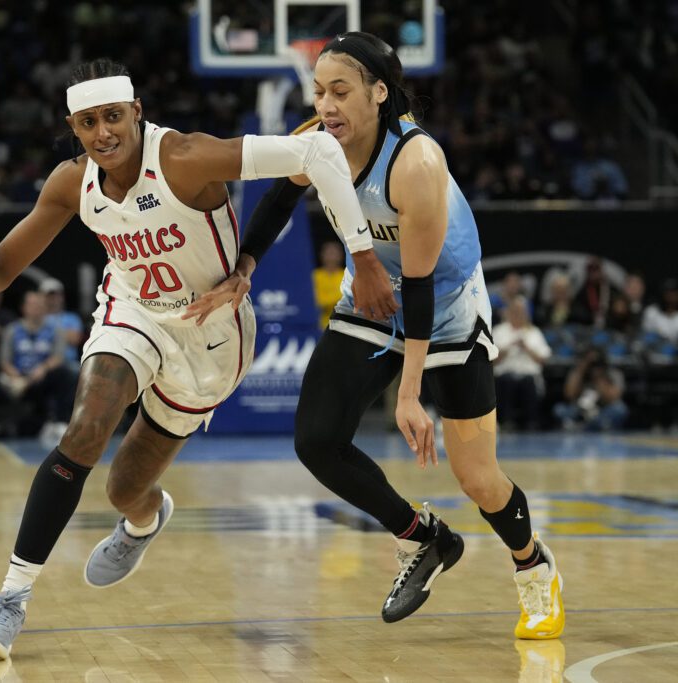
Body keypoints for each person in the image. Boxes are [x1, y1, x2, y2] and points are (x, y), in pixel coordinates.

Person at [0, 57, 395, 660]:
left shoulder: (185, 157)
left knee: (125, 487)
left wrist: (362, 258)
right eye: (87, 123)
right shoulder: (70, 183)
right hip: (131, 311)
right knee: (84, 430)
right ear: (73, 128)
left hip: (210, 334)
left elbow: (316, 153)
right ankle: (11, 597)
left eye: (112, 117)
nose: (102, 133)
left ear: (136, 111)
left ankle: (144, 518)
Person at [186, 33, 564, 639]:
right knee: (316, 440)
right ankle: (423, 537)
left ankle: (532, 564)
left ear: (379, 93)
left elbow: (420, 285)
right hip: (371, 295)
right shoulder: (318, 141)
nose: (326, 105)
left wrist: (409, 393)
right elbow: (279, 197)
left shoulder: (416, 163)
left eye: (340, 91)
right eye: (319, 92)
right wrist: (244, 267)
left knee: (476, 477)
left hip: (445, 306)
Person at [0, 289, 76, 436]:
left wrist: (43, 368)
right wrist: (17, 376)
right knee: (0, 382)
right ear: (23, 307)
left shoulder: (55, 330)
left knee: (67, 373)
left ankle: (60, 421)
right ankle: (3, 424)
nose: (37, 308)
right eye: (33, 304)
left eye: (40, 305)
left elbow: (58, 357)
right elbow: (4, 361)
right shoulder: (12, 330)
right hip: (17, 379)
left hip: (42, 377)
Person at [492, 297, 552, 431]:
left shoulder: (534, 332)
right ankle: (506, 421)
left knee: (528, 382)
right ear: (509, 312)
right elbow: (491, 359)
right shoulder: (499, 331)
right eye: (515, 311)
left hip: (528, 375)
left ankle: (531, 421)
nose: (518, 314)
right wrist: (508, 348)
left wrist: (527, 348)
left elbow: (543, 359)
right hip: (504, 374)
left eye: (521, 311)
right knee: (506, 381)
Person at [554, 348, 628, 431]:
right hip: (580, 409)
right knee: (559, 409)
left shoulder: (614, 373)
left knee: (619, 409)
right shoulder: (579, 373)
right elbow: (569, 395)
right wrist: (582, 369)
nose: (593, 366)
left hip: (603, 410)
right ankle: (586, 426)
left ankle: (587, 426)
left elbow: (613, 397)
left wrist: (599, 377)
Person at [312, 240, 345, 330]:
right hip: (318, 326)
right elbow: (314, 301)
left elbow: (347, 302)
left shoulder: (347, 276)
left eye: (334, 253)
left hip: (342, 326)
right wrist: (337, 297)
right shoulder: (314, 276)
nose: (331, 256)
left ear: (341, 256)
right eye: (329, 253)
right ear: (321, 255)